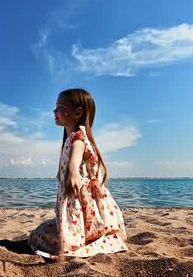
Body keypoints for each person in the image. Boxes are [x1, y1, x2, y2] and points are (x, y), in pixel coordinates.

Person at [28, 88, 128, 259]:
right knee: (39, 232)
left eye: (60, 107)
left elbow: (77, 154)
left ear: (77, 113)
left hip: (82, 210)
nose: (55, 111)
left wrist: (73, 171)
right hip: (79, 211)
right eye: (55, 107)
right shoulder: (70, 139)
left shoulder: (78, 138)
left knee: (37, 238)